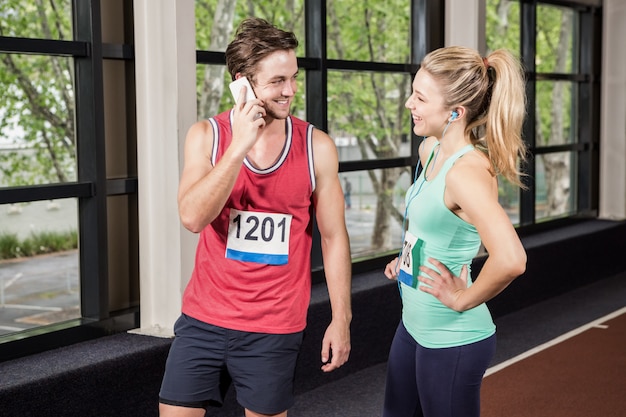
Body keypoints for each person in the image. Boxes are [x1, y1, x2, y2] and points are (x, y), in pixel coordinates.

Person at [159, 18, 352, 417]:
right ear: (242, 81)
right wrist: (239, 146)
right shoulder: (206, 137)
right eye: (278, 81)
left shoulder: (317, 147)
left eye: (293, 78)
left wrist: (341, 318)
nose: (291, 90)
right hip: (202, 321)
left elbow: (334, 239)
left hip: (273, 328)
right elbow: (193, 218)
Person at [382, 46, 527, 417]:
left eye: (419, 97)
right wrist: (407, 261)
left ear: (455, 112)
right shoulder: (429, 151)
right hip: (413, 326)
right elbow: (435, 229)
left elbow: (511, 259)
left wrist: (462, 299)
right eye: (413, 91)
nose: (408, 103)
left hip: (451, 339)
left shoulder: (466, 173)